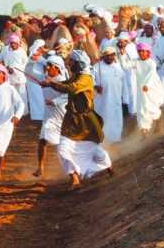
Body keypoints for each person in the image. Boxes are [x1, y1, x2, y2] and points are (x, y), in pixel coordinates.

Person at [42, 50, 112, 190]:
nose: (70, 64)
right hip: (71, 119)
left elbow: (72, 89)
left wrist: (51, 84)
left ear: (79, 63)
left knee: (93, 149)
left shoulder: (85, 78)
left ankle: (108, 167)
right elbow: (66, 84)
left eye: (72, 62)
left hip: (86, 120)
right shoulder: (77, 76)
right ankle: (74, 178)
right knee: (63, 149)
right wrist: (49, 83)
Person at [33, 55, 68, 178]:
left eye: (50, 66)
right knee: (43, 140)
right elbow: (30, 72)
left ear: (57, 68)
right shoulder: (44, 78)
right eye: (47, 66)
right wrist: (34, 59)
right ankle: (40, 167)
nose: (47, 68)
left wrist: (54, 101)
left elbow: (67, 96)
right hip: (49, 116)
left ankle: (71, 171)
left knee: (64, 146)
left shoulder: (63, 81)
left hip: (63, 117)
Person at [132, 43, 164, 138]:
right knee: (141, 110)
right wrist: (121, 54)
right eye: (140, 51)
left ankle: (158, 125)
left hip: (152, 89)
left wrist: (147, 85)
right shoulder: (136, 61)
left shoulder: (151, 63)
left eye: (144, 51)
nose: (142, 53)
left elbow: (150, 75)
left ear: (148, 52)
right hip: (141, 91)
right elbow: (125, 65)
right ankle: (144, 132)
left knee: (152, 108)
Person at [93, 47, 124, 144]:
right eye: (108, 55)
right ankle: (104, 141)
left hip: (116, 99)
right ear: (104, 56)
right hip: (103, 100)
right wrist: (96, 86)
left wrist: (124, 97)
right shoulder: (96, 67)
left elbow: (123, 81)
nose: (110, 57)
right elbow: (90, 79)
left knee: (116, 118)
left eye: (112, 55)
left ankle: (115, 139)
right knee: (104, 118)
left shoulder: (118, 67)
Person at [0, 34, 28, 114]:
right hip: (8, 77)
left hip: (19, 77)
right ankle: (10, 111)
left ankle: (22, 112)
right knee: (10, 94)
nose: (13, 45)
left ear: (18, 43)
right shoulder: (5, 49)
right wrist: (6, 68)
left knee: (22, 95)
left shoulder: (22, 52)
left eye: (14, 43)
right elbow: (0, 60)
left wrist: (15, 70)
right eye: (11, 43)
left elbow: (25, 64)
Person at [116, 32, 138, 116]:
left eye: (123, 41)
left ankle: (133, 110)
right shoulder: (118, 48)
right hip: (122, 73)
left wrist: (123, 54)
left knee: (132, 91)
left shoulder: (132, 47)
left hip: (131, 73)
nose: (121, 43)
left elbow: (132, 60)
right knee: (124, 92)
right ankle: (126, 110)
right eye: (120, 41)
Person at [25, 39, 46, 123]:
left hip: (37, 79)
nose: (44, 48)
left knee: (38, 98)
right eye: (42, 47)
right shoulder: (35, 54)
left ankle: (39, 116)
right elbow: (45, 62)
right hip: (33, 80)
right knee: (36, 98)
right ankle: (38, 117)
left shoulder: (37, 55)